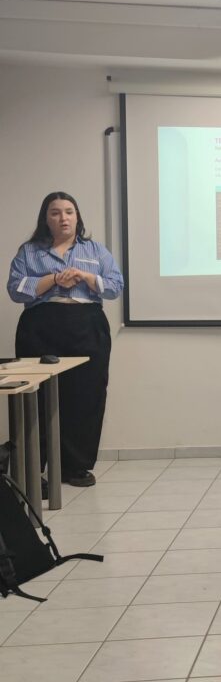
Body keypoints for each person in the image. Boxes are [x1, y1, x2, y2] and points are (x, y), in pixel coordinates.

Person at [7, 192, 123, 487]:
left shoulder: (95, 250)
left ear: (77, 216)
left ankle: (75, 467)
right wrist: (54, 280)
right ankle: (34, 471)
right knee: (36, 396)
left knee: (86, 395)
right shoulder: (29, 251)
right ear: (45, 218)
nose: (63, 218)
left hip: (87, 325)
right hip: (40, 326)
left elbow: (115, 286)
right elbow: (16, 289)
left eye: (69, 212)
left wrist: (86, 277)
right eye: (55, 212)